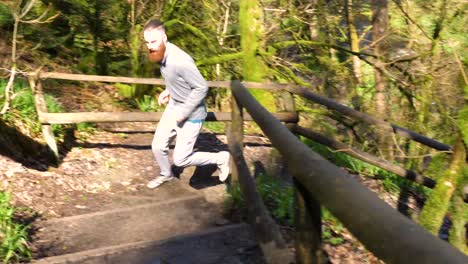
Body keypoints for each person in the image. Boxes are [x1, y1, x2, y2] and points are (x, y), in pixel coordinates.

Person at [143, 19, 230, 188]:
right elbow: (175, 78)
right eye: (147, 42)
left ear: (165, 38)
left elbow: (201, 87)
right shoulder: (161, 54)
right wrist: (168, 90)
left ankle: (221, 158)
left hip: (192, 114)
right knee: (158, 146)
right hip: (174, 106)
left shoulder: (180, 60)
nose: (150, 46)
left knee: (181, 159)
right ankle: (166, 174)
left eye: (153, 41)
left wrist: (184, 112)